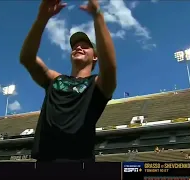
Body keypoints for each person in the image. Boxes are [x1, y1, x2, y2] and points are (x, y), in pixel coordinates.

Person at [20, 0, 117, 162]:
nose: (78, 47)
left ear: (95, 56)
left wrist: (97, 15)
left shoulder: (98, 84)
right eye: (75, 46)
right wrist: (42, 18)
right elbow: (27, 58)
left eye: (85, 46)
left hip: (79, 164)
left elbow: (110, 68)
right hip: (45, 163)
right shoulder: (55, 79)